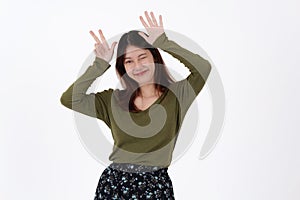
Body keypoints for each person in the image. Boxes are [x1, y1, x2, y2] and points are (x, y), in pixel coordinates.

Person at [60, 11, 211, 200]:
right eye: (129, 61)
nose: (137, 66)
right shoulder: (112, 100)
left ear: (154, 57)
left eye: (142, 57)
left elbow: (203, 68)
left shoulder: (178, 95)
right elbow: (70, 99)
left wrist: (164, 42)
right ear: (123, 68)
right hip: (114, 185)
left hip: (155, 186)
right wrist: (99, 64)